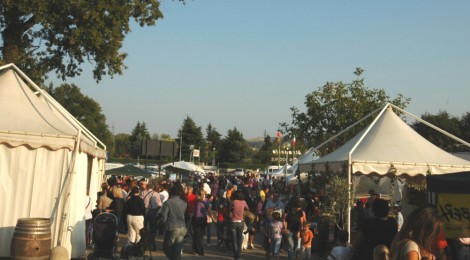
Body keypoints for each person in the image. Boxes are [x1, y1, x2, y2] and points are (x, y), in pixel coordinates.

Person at [161, 184, 187, 260]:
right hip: (182, 227)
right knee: (177, 250)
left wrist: (161, 225)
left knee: (166, 248)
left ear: (170, 193)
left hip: (172, 227)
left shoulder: (168, 202)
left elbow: (163, 216)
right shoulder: (184, 203)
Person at [229, 189, 249, 260]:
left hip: (233, 222)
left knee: (234, 240)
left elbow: (230, 211)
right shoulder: (244, 202)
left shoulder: (233, 202)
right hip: (241, 222)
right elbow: (247, 209)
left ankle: (235, 255)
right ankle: (238, 255)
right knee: (239, 239)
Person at [192, 190, 208, 256]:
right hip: (203, 220)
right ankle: (197, 250)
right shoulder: (205, 201)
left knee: (198, 236)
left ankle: (199, 251)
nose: (203, 196)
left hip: (199, 220)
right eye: (202, 194)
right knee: (200, 236)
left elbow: (197, 214)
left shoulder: (199, 203)